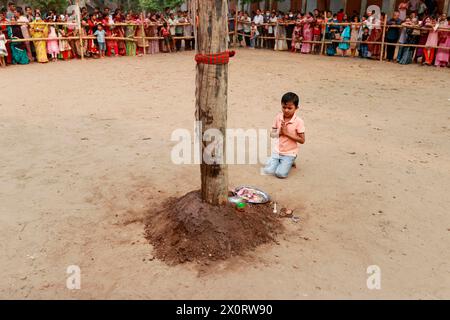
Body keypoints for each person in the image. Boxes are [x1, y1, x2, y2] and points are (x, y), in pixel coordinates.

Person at [263, 92, 306, 179]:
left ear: (296, 108)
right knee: (268, 171)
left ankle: (290, 161)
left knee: (280, 174)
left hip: (290, 153)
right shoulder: (278, 117)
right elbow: (272, 134)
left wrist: (287, 133)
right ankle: (281, 161)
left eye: (290, 108)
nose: (286, 110)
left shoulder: (299, 121)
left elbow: (302, 140)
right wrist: (280, 133)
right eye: (284, 107)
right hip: (277, 151)